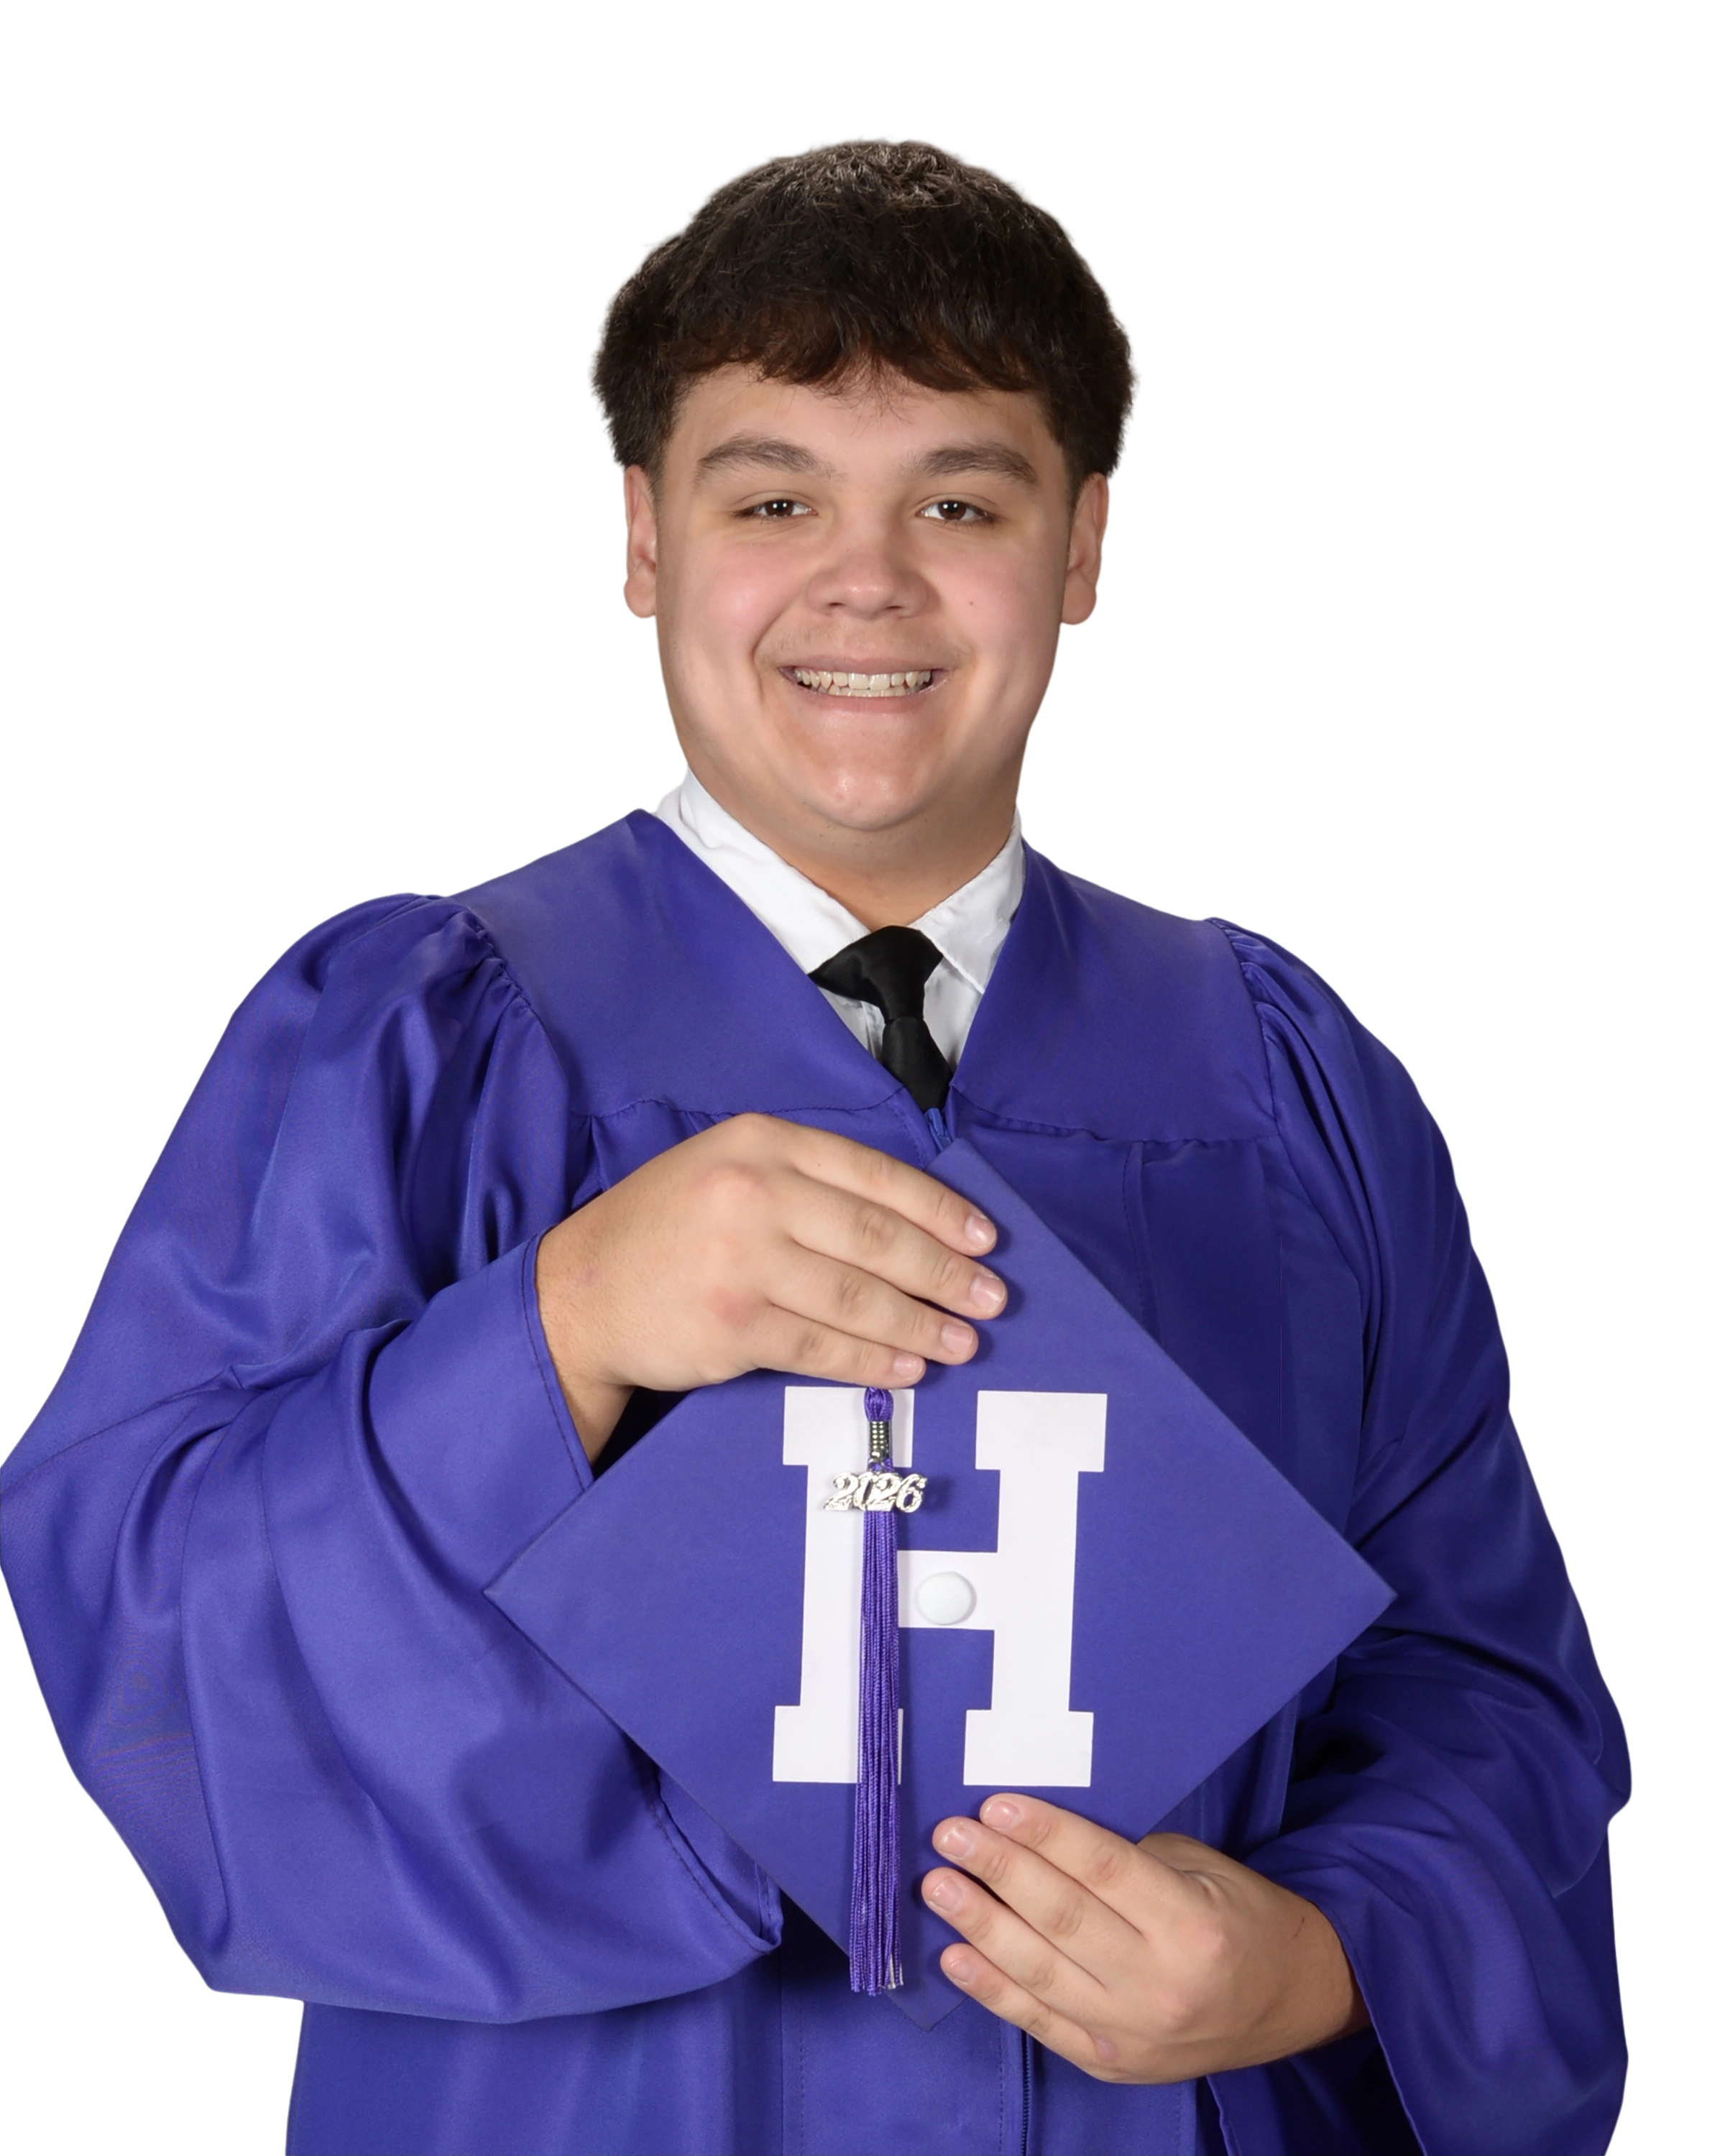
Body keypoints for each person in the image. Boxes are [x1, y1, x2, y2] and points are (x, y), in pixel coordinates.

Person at [2, 136, 1630, 2156]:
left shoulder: (1287, 1082)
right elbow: (148, 1621)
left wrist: (1311, 1958)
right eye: (773, 499)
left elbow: (1485, 1690)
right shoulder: (411, 1042)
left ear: (1085, 548)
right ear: (645, 543)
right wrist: (561, 1327)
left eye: (961, 500)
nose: (868, 580)